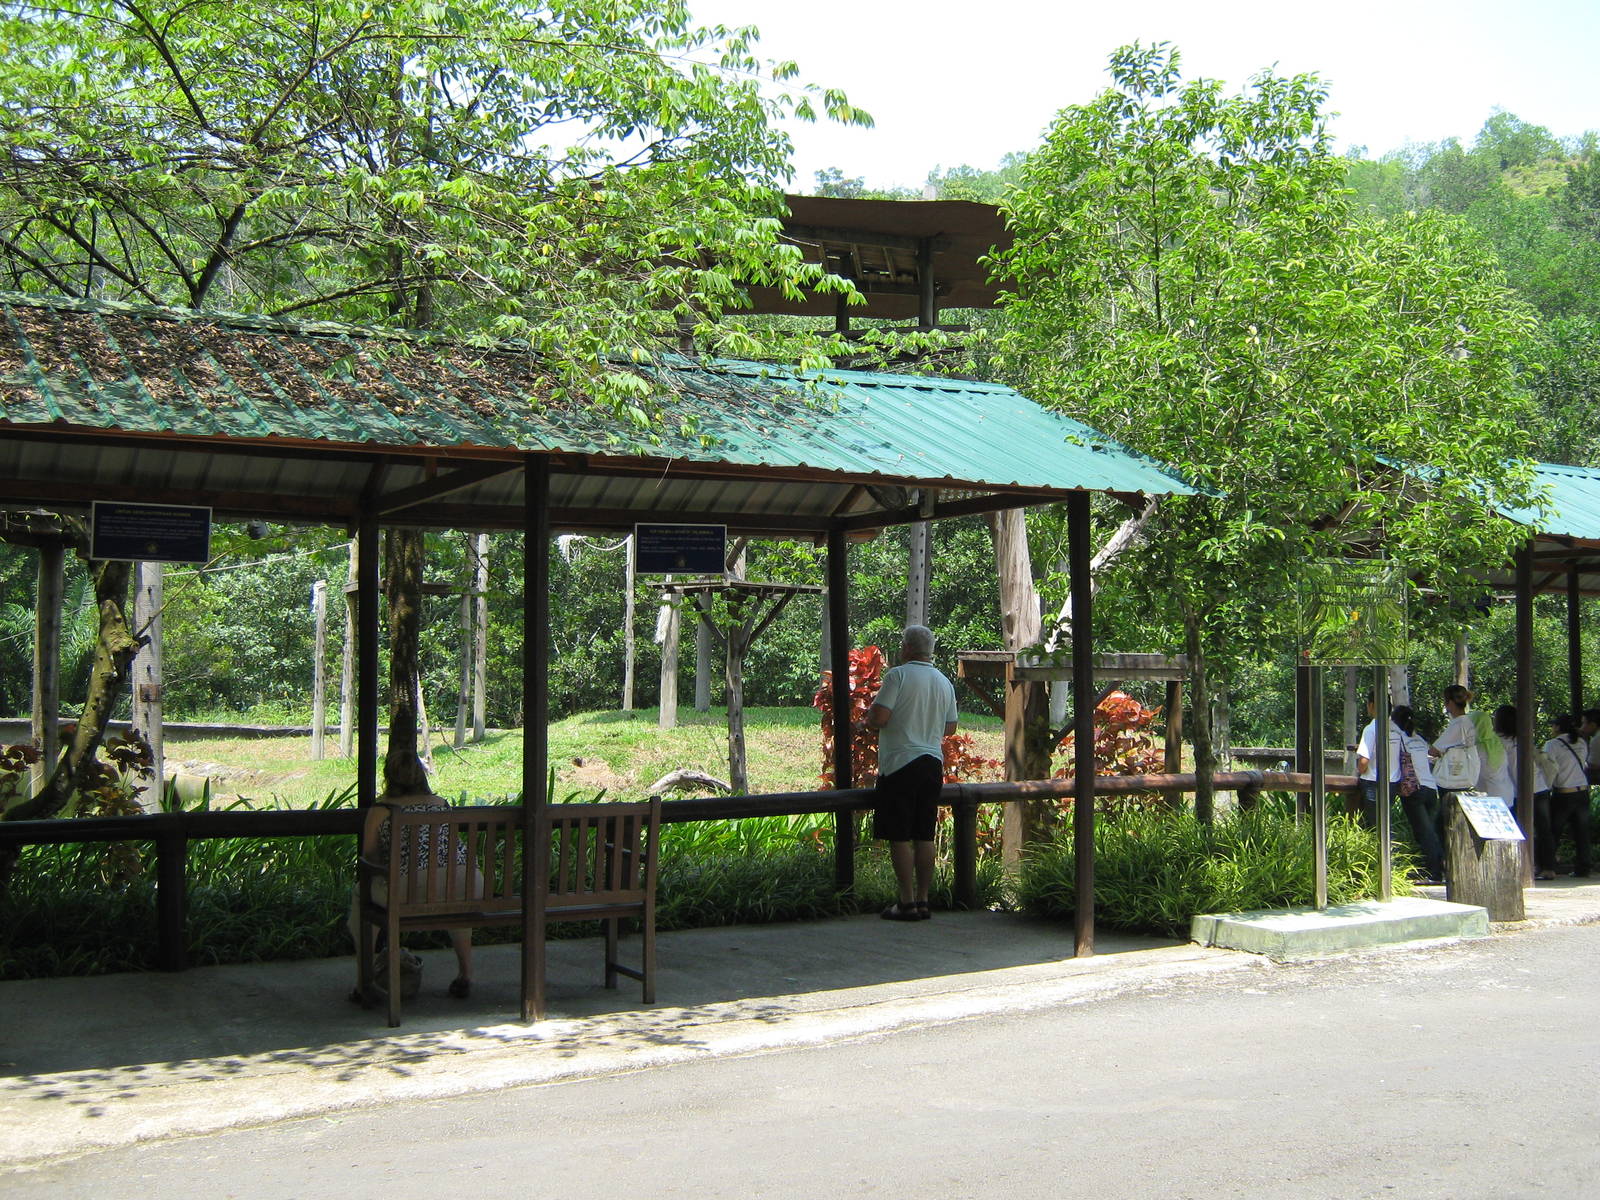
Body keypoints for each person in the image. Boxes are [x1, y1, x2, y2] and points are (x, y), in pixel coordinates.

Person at [866, 624, 958, 922]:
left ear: (906, 647)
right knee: (924, 834)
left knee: (900, 835)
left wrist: (866, 720)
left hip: (900, 763)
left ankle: (905, 902)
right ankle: (923, 900)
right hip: (932, 764)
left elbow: (880, 716)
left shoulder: (898, 676)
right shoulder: (944, 681)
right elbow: (950, 727)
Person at [1495, 704, 1555, 880]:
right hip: (1540, 787)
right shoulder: (1523, 738)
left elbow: (1511, 770)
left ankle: (1525, 866)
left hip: (1519, 792)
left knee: (1520, 830)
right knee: (1544, 830)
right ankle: (1548, 867)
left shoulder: (1501, 742)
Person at [1392, 705, 1446, 884]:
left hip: (1414, 789)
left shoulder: (1398, 738)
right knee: (1431, 831)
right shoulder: (1420, 740)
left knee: (1424, 833)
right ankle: (1441, 868)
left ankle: (1434, 873)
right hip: (1431, 788)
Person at [1545, 714, 1592, 878]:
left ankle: (1548, 866)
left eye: (1553, 725)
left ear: (1558, 727)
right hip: (1582, 791)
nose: (1552, 728)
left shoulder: (1552, 745)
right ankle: (1584, 867)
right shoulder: (1581, 742)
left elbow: (1549, 768)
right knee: (1582, 832)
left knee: (1553, 831)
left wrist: (1546, 787)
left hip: (1564, 793)